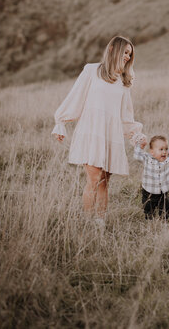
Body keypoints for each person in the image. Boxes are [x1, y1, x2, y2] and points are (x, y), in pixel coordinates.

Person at [51, 36, 146, 227]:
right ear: (112, 49)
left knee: (104, 181)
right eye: (125, 52)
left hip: (111, 135)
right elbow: (75, 97)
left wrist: (136, 134)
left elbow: (125, 115)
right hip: (92, 131)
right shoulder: (91, 70)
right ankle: (87, 221)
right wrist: (61, 121)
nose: (127, 56)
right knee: (93, 178)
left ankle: (99, 223)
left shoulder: (124, 82)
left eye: (130, 54)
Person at [133, 135, 169, 219]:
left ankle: (164, 219)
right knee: (148, 206)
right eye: (161, 149)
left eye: (166, 149)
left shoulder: (168, 156)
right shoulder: (147, 158)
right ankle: (149, 217)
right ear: (152, 152)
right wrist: (139, 146)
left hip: (163, 190)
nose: (164, 152)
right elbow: (137, 156)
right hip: (149, 190)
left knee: (165, 207)